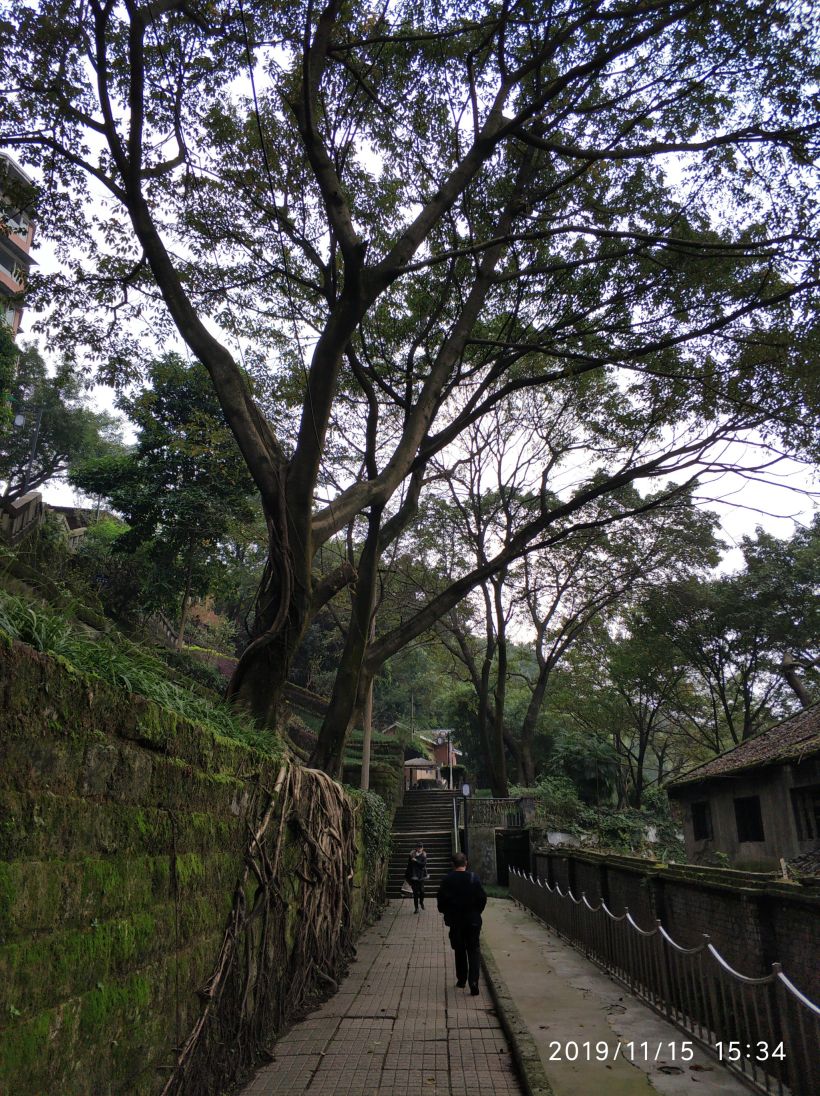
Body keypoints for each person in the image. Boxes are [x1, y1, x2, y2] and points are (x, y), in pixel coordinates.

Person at [436, 851, 487, 994]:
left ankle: (462, 979)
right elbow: (482, 898)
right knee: (474, 949)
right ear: (466, 863)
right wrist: (477, 912)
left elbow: (441, 901)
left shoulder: (447, 880)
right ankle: (474, 981)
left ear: (452, 864)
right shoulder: (474, 878)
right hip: (473, 920)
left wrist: (446, 912)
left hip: (455, 921)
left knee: (459, 950)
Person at [404, 842, 427, 913]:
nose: (419, 848)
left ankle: (421, 902)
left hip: (421, 875)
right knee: (415, 893)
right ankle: (416, 908)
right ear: (416, 847)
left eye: (421, 847)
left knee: (422, 891)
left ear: (422, 848)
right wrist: (407, 875)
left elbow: (423, 864)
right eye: (418, 847)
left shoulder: (424, 855)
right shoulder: (411, 855)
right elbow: (409, 865)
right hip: (413, 876)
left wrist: (416, 860)